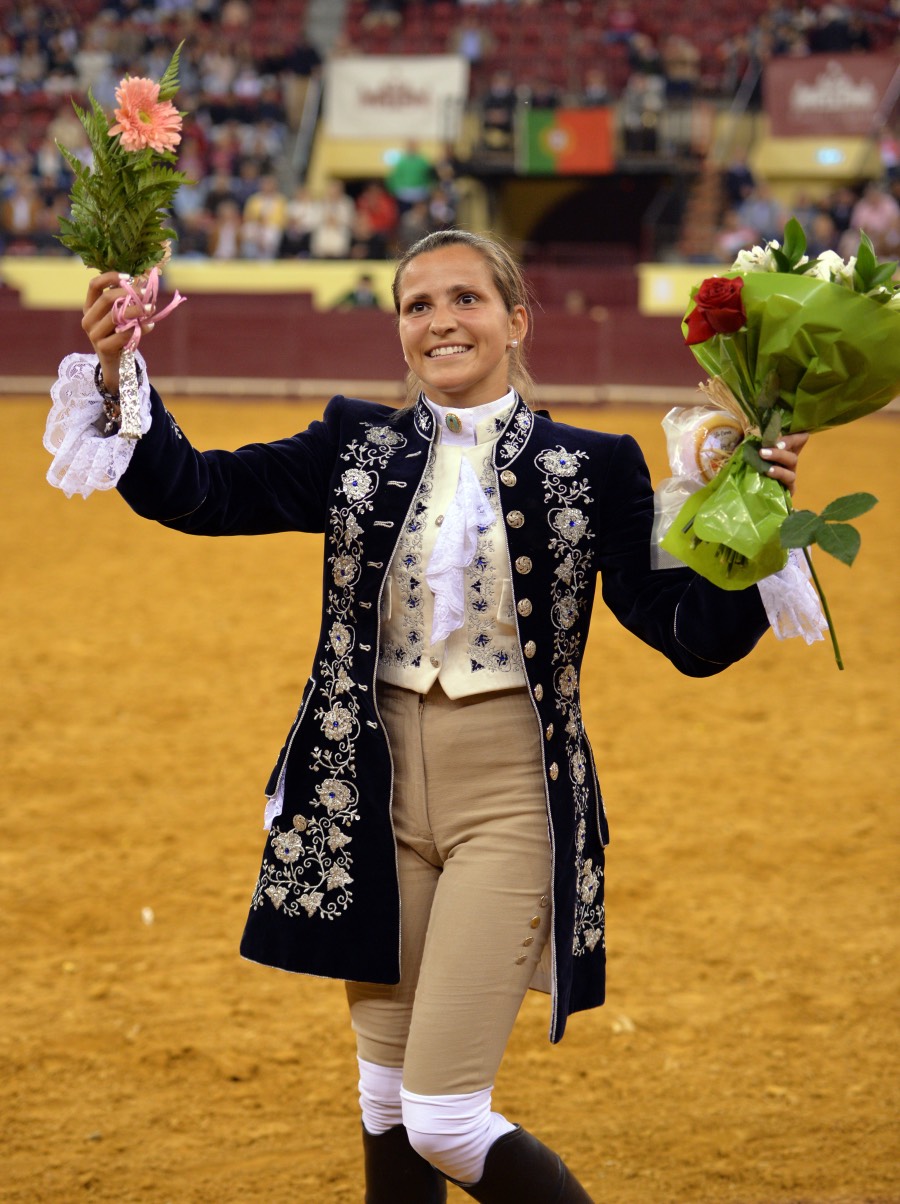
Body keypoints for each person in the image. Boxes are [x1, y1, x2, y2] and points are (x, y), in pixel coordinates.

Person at [51, 229, 806, 1202]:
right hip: (368, 796)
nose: (442, 321)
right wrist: (118, 373)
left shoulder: (596, 465)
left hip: (511, 800)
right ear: (401, 330)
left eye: (466, 299)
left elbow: (688, 636)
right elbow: (201, 493)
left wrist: (757, 523)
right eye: (418, 305)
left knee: (444, 1117)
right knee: (385, 1098)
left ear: (516, 320)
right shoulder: (352, 443)